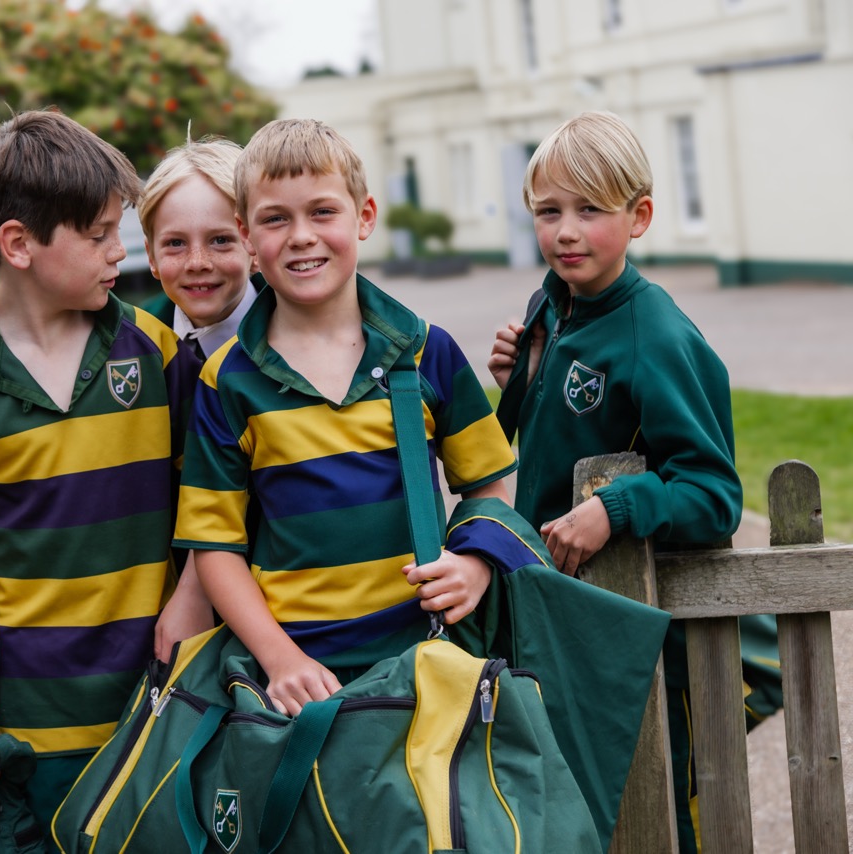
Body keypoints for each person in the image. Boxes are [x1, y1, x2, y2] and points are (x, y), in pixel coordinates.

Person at [0, 110, 211, 836]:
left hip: (160, 699)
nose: (119, 250)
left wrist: (191, 598)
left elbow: (212, 504)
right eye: (99, 233)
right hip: (29, 720)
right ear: (18, 244)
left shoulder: (159, 353)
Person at [486, 110, 766, 852]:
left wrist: (616, 507)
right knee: (571, 793)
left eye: (590, 210)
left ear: (639, 216)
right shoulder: (550, 302)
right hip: (559, 607)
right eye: (549, 212)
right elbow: (541, 434)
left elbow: (713, 496)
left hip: (634, 625)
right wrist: (521, 379)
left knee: (657, 796)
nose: (566, 231)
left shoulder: (660, 337)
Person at [172, 118, 519, 716]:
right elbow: (216, 546)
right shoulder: (227, 380)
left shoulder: (425, 351)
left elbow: (488, 481)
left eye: (323, 212)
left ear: (364, 216)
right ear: (247, 235)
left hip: (425, 661)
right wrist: (279, 660)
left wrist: (477, 561)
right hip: (294, 678)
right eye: (276, 218)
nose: (302, 236)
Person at [138, 136, 259, 360]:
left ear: (254, 246)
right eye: (175, 243)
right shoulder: (132, 344)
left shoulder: (299, 335)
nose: (197, 263)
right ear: (151, 257)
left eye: (220, 240)